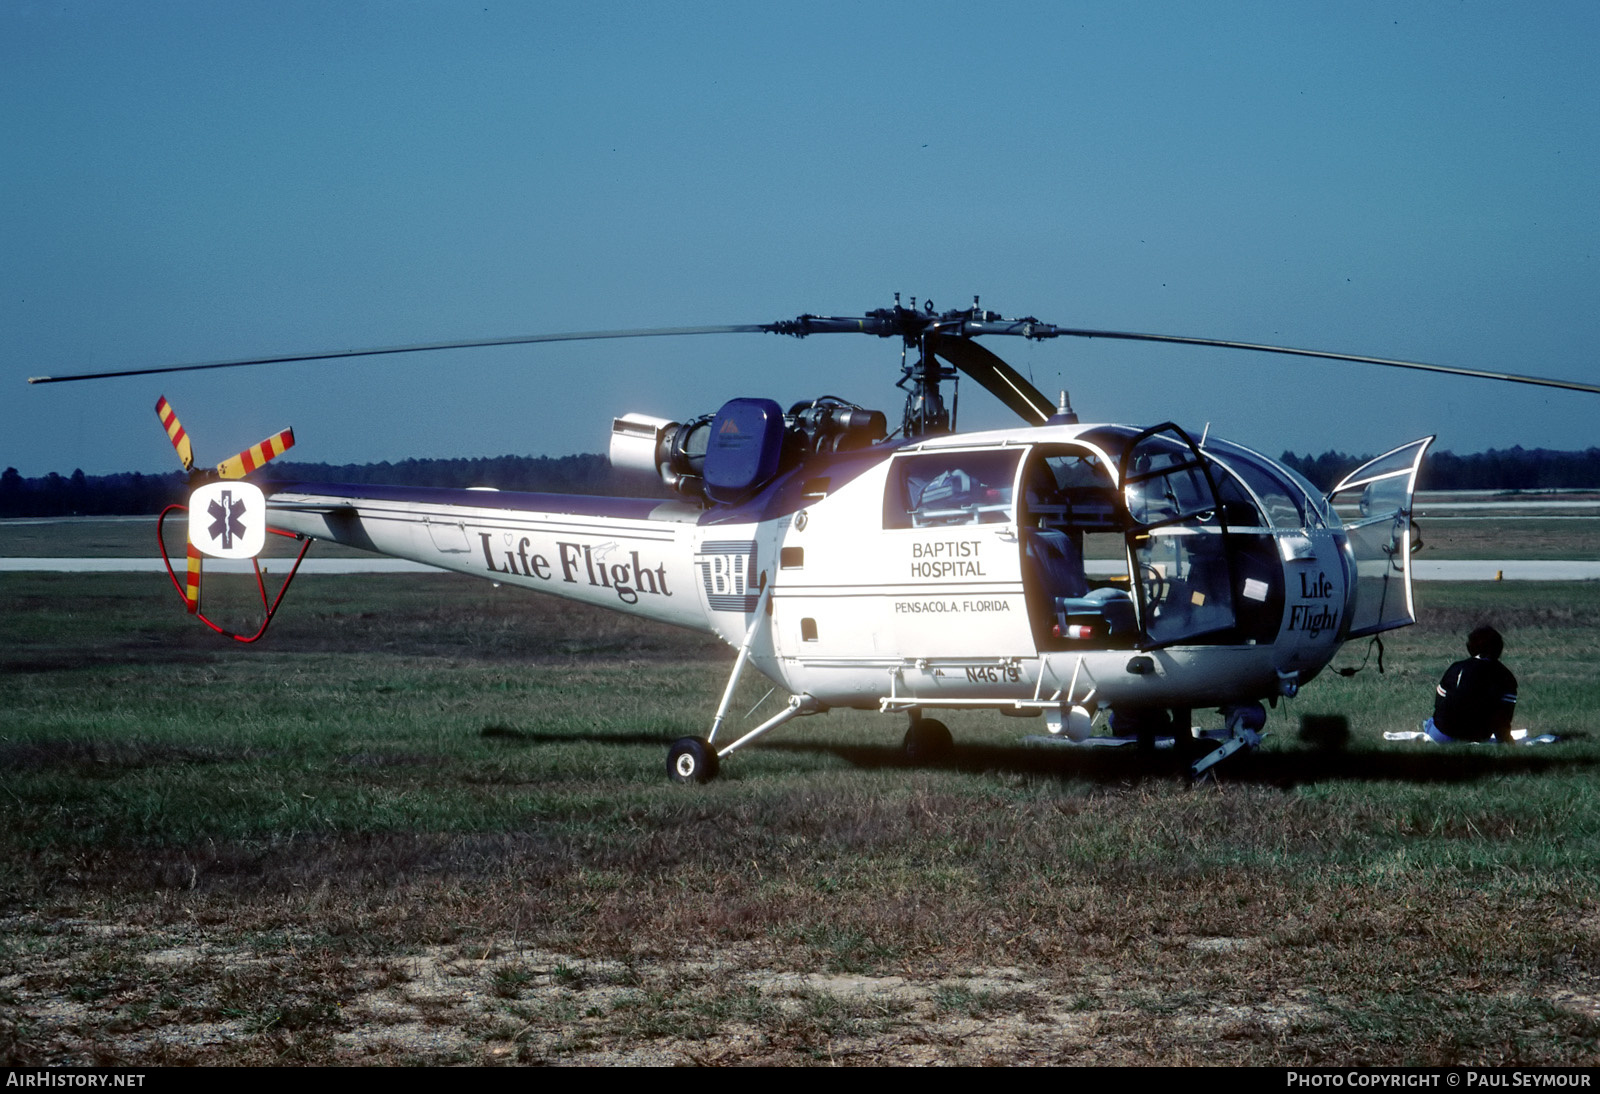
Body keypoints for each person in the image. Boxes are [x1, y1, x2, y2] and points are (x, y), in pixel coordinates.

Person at [1423, 626, 1518, 743]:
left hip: (1443, 734)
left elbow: (1439, 703)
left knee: (1428, 723)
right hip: (1478, 736)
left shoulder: (1457, 668)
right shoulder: (1506, 676)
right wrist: (1506, 741)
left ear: (1470, 647)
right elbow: (1503, 718)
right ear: (1499, 648)